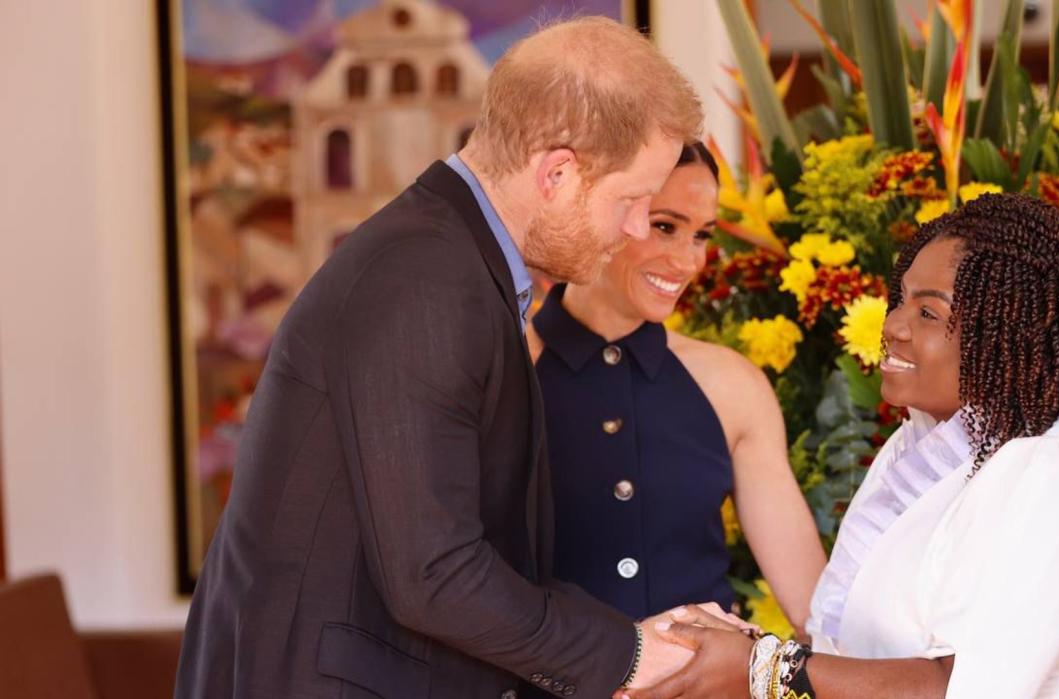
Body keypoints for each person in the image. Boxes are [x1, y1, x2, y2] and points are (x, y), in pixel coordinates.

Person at [175, 17, 713, 699]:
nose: (636, 229)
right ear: (557, 173)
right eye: (632, 201)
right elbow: (435, 575)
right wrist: (631, 655)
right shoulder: (425, 280)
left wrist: (633, 640)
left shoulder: (451, 260)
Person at [624, 193, 1059, 699]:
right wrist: (725, 647)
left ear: (1011, 333)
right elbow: (850, 656)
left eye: (928, 313)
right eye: (900, 301)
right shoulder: (918, 452)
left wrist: (760, 667)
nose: (894, 326)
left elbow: (959, 688)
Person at [526, 142, 825, 634]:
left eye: (701, 235)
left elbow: (816, 608)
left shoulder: (734, 385)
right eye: (665, 226)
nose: (688, 262)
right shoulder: (507, 369)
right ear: (600, 209)